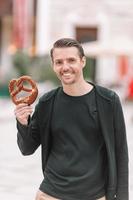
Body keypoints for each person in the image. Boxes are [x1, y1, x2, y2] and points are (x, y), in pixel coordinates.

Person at [14, 38, 129, 200]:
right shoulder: (47, 102)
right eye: (59, 62)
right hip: (50, 195)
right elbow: (27, 148)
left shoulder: (108, 101)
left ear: (83, 62)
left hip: (95, 196)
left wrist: (122, 197)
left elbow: (121, 153)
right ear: (53, 65)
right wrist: (22, 122)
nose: (65, 67)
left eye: (71, 60)